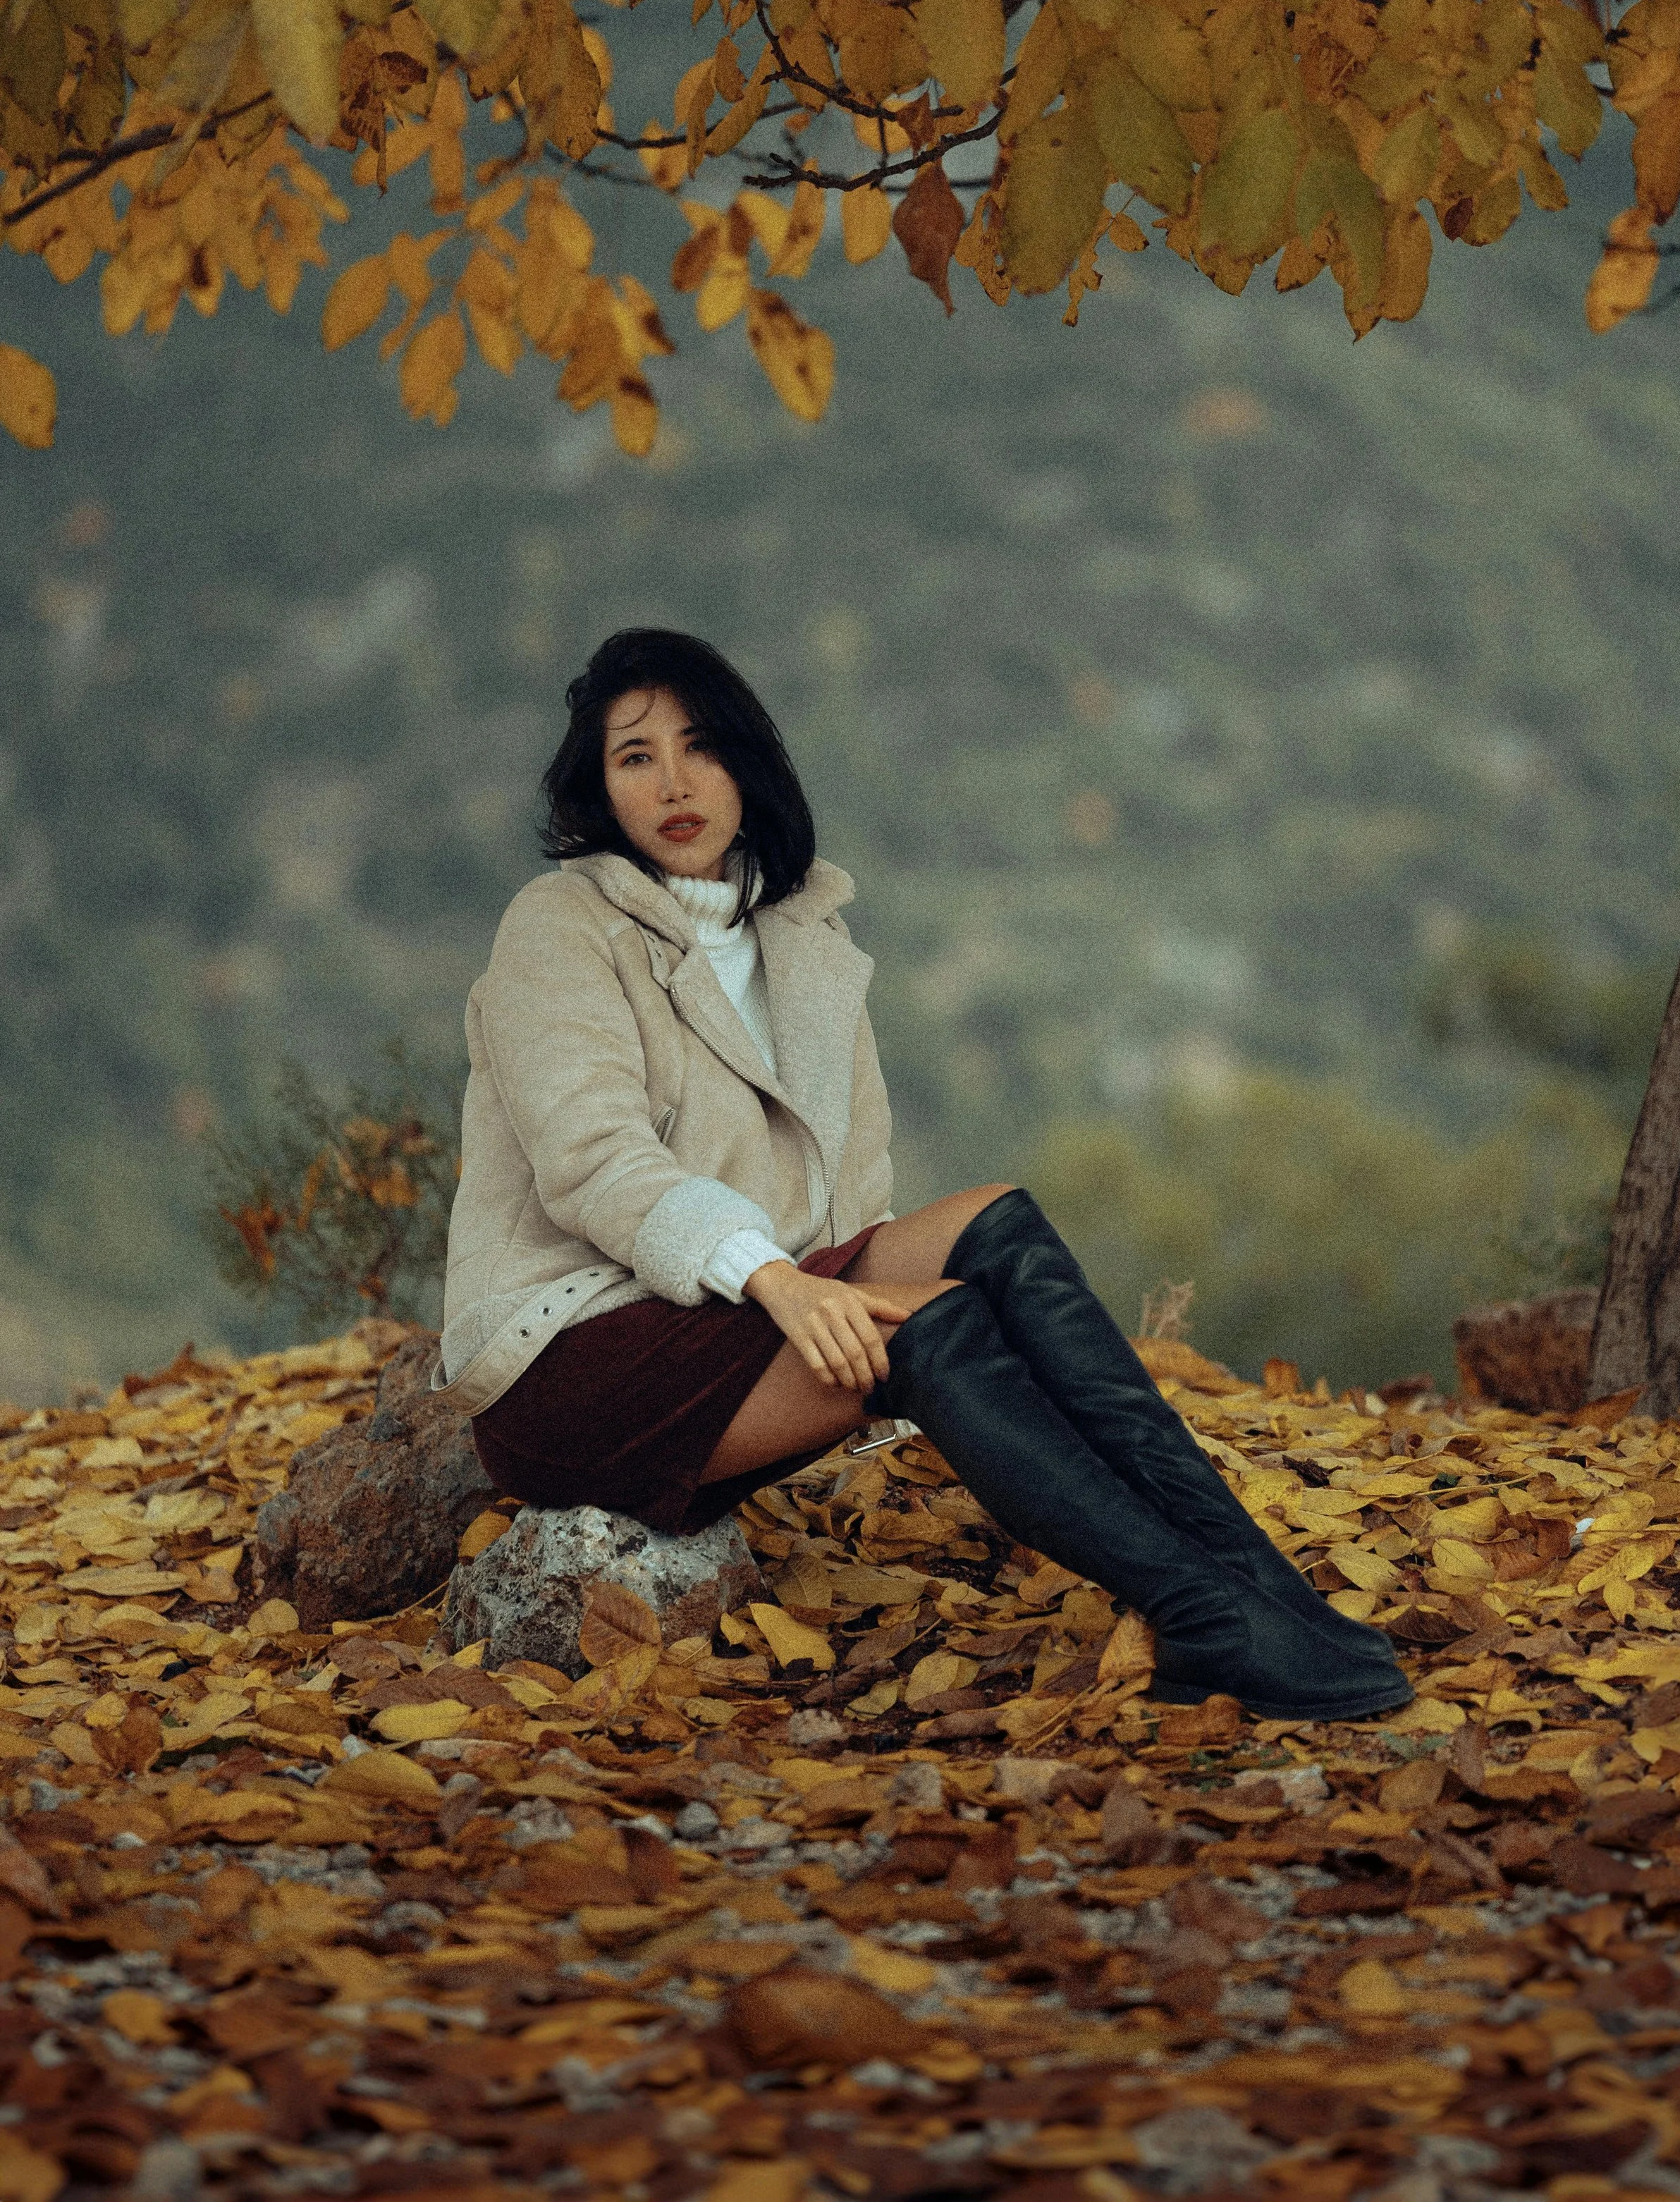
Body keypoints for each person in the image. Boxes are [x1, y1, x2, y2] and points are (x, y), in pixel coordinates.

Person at [439, 627, 1411, 1723]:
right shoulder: (561, 926)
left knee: (999, 1224)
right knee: (929, 1323)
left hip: (728, 1313)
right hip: (568, 1363)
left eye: (700, 745)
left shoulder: (803, 935)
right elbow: (594, 1162)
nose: (674, 781)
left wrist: (829, 1292)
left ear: (748, 764)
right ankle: (1205, 1618)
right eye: (635, 756)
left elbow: (850, 1200)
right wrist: (784, 1285)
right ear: (599, 788)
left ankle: (1263, 1591)